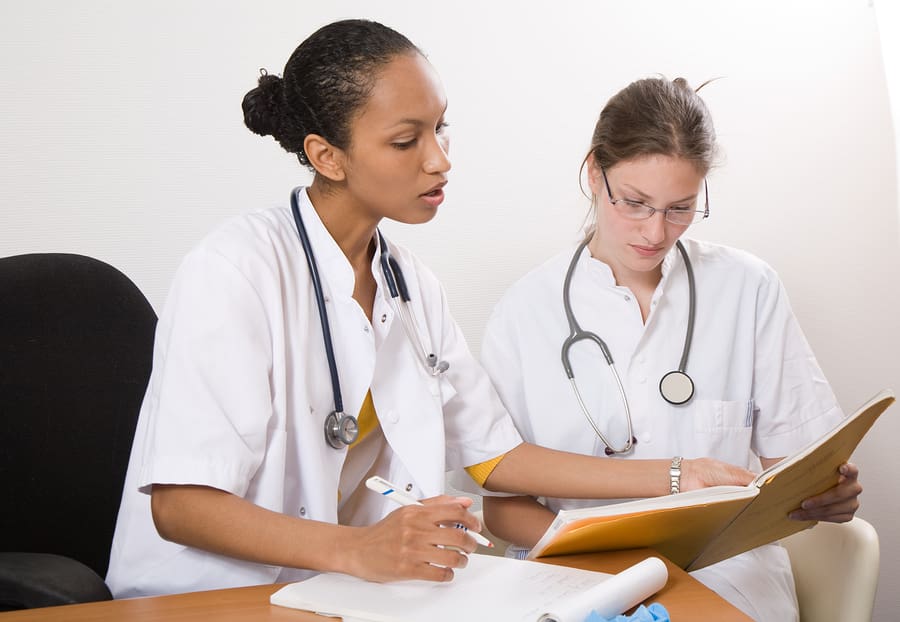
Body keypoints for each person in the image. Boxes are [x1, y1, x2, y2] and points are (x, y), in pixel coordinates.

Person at [105, 22, 754, 599]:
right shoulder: (236, 270)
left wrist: (677, 475)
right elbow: (182, 507)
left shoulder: (409, 285)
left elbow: (495, 458)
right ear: (326, 154)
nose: (440, 159)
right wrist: (360, 549)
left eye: (439, 128)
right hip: (206, 597)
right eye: (405, 140)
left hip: (343, 592)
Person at [477, 76, 862, 621]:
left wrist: (823, 493)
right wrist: (616, 571)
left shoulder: (746, 287)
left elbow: (792, 468)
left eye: (680, 208)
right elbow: (502, 504)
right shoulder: (525, 312)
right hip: (576, 576)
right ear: (594, 172)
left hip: (724, 577)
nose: (655, 232)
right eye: (634, 203)